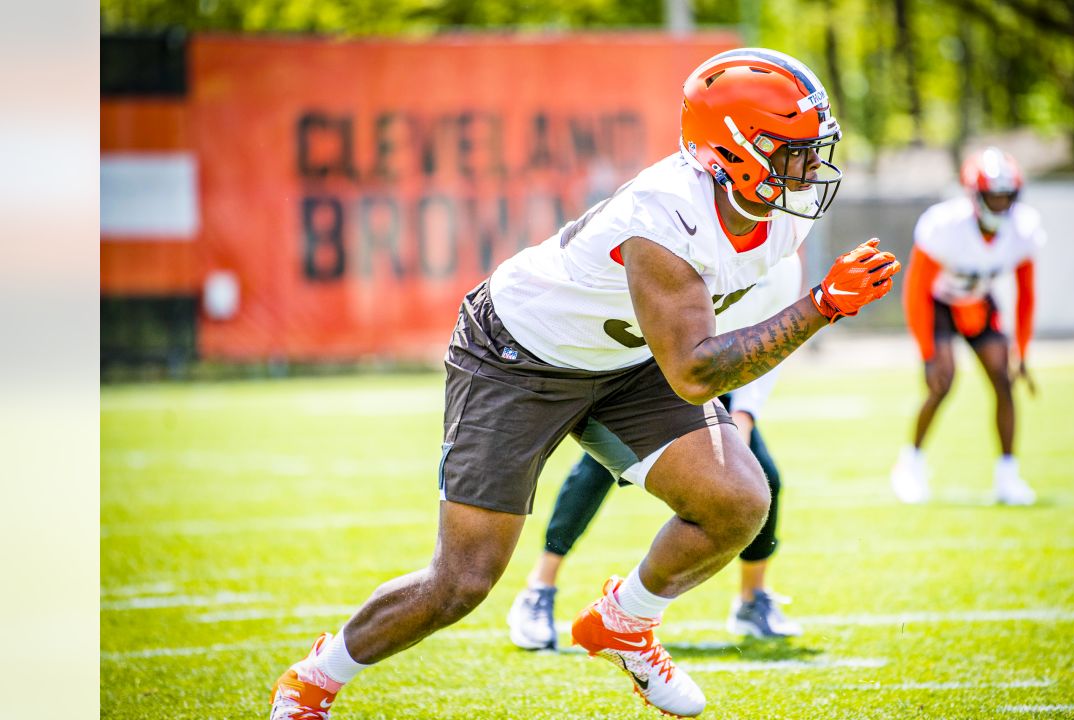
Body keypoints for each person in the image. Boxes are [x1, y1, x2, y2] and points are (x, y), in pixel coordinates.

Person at [268, 47, 900, 720]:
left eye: (811, 150)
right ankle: (313, 680)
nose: (808, 168)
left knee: (740, 500)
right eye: (791, 151)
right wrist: (823, 306)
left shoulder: (782, 212)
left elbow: (720, 340)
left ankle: (625, 621)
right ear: (734, 151)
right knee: (463, 581)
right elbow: (692, 371)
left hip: (626, 359)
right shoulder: (666, 217)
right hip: (517, 357)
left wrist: (796, 326)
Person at [507, 255, 805, 652]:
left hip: (720, 379)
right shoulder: (699, 245)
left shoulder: (784, 265)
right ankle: (539, 589)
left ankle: (753, 599)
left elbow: (772, 348)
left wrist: (746, 412)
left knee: (762, 478)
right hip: (653, 369)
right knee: (595, 470)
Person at [889, 147, 1043, 506]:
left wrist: (1022, 350)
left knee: (1004, 380)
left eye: (1008, 195)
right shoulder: (945, 226)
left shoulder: (1023, 230)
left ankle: (1008, 474)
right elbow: (915, 292)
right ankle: (910, 463)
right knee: (942, 381)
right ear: (976, 195)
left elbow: (1026, 294)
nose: (1002, 203)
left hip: (979, 303)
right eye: (995, 195)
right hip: (940, 303)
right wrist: (927, 353)